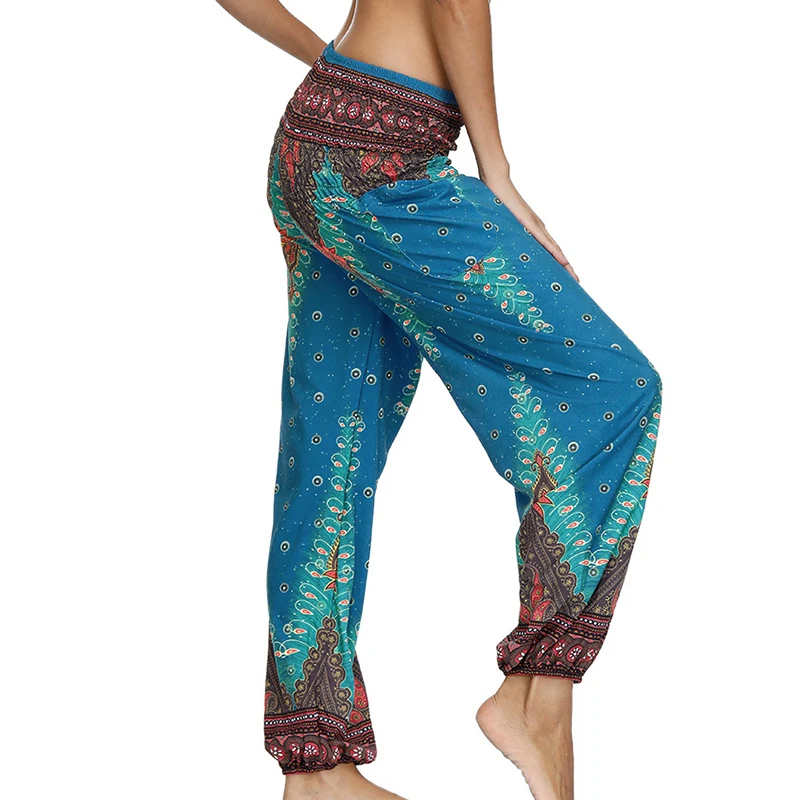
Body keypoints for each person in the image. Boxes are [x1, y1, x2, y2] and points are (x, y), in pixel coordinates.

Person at [215, 2, 663, 798]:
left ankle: (316, 771)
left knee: (331, 450)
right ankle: (537, 696)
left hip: (316, 146)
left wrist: (326, 63)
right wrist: (497, 173)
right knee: (613, 388)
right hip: (384, 169)